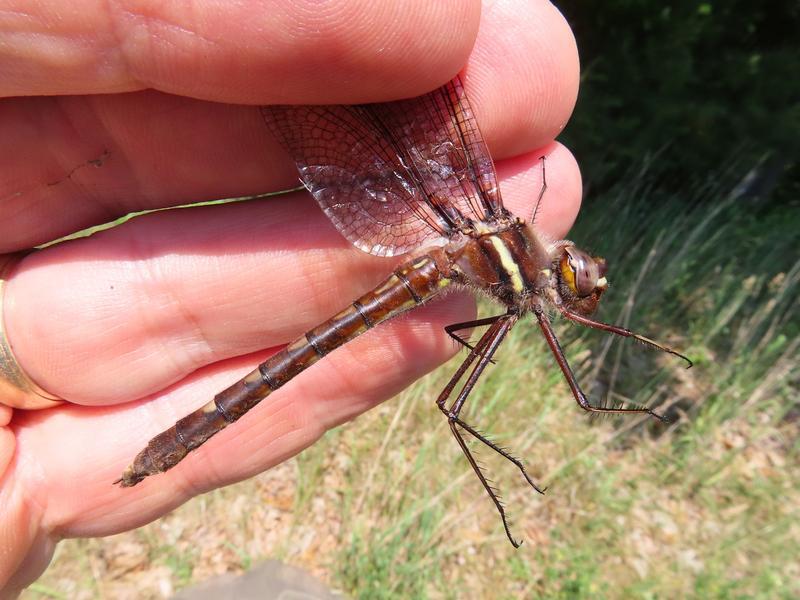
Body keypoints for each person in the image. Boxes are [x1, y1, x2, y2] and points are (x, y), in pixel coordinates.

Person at [0, 0, 582, 594]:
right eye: (574, 274)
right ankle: (162, 451)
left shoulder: (505, 249)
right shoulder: (514, 263)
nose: (576, 280)